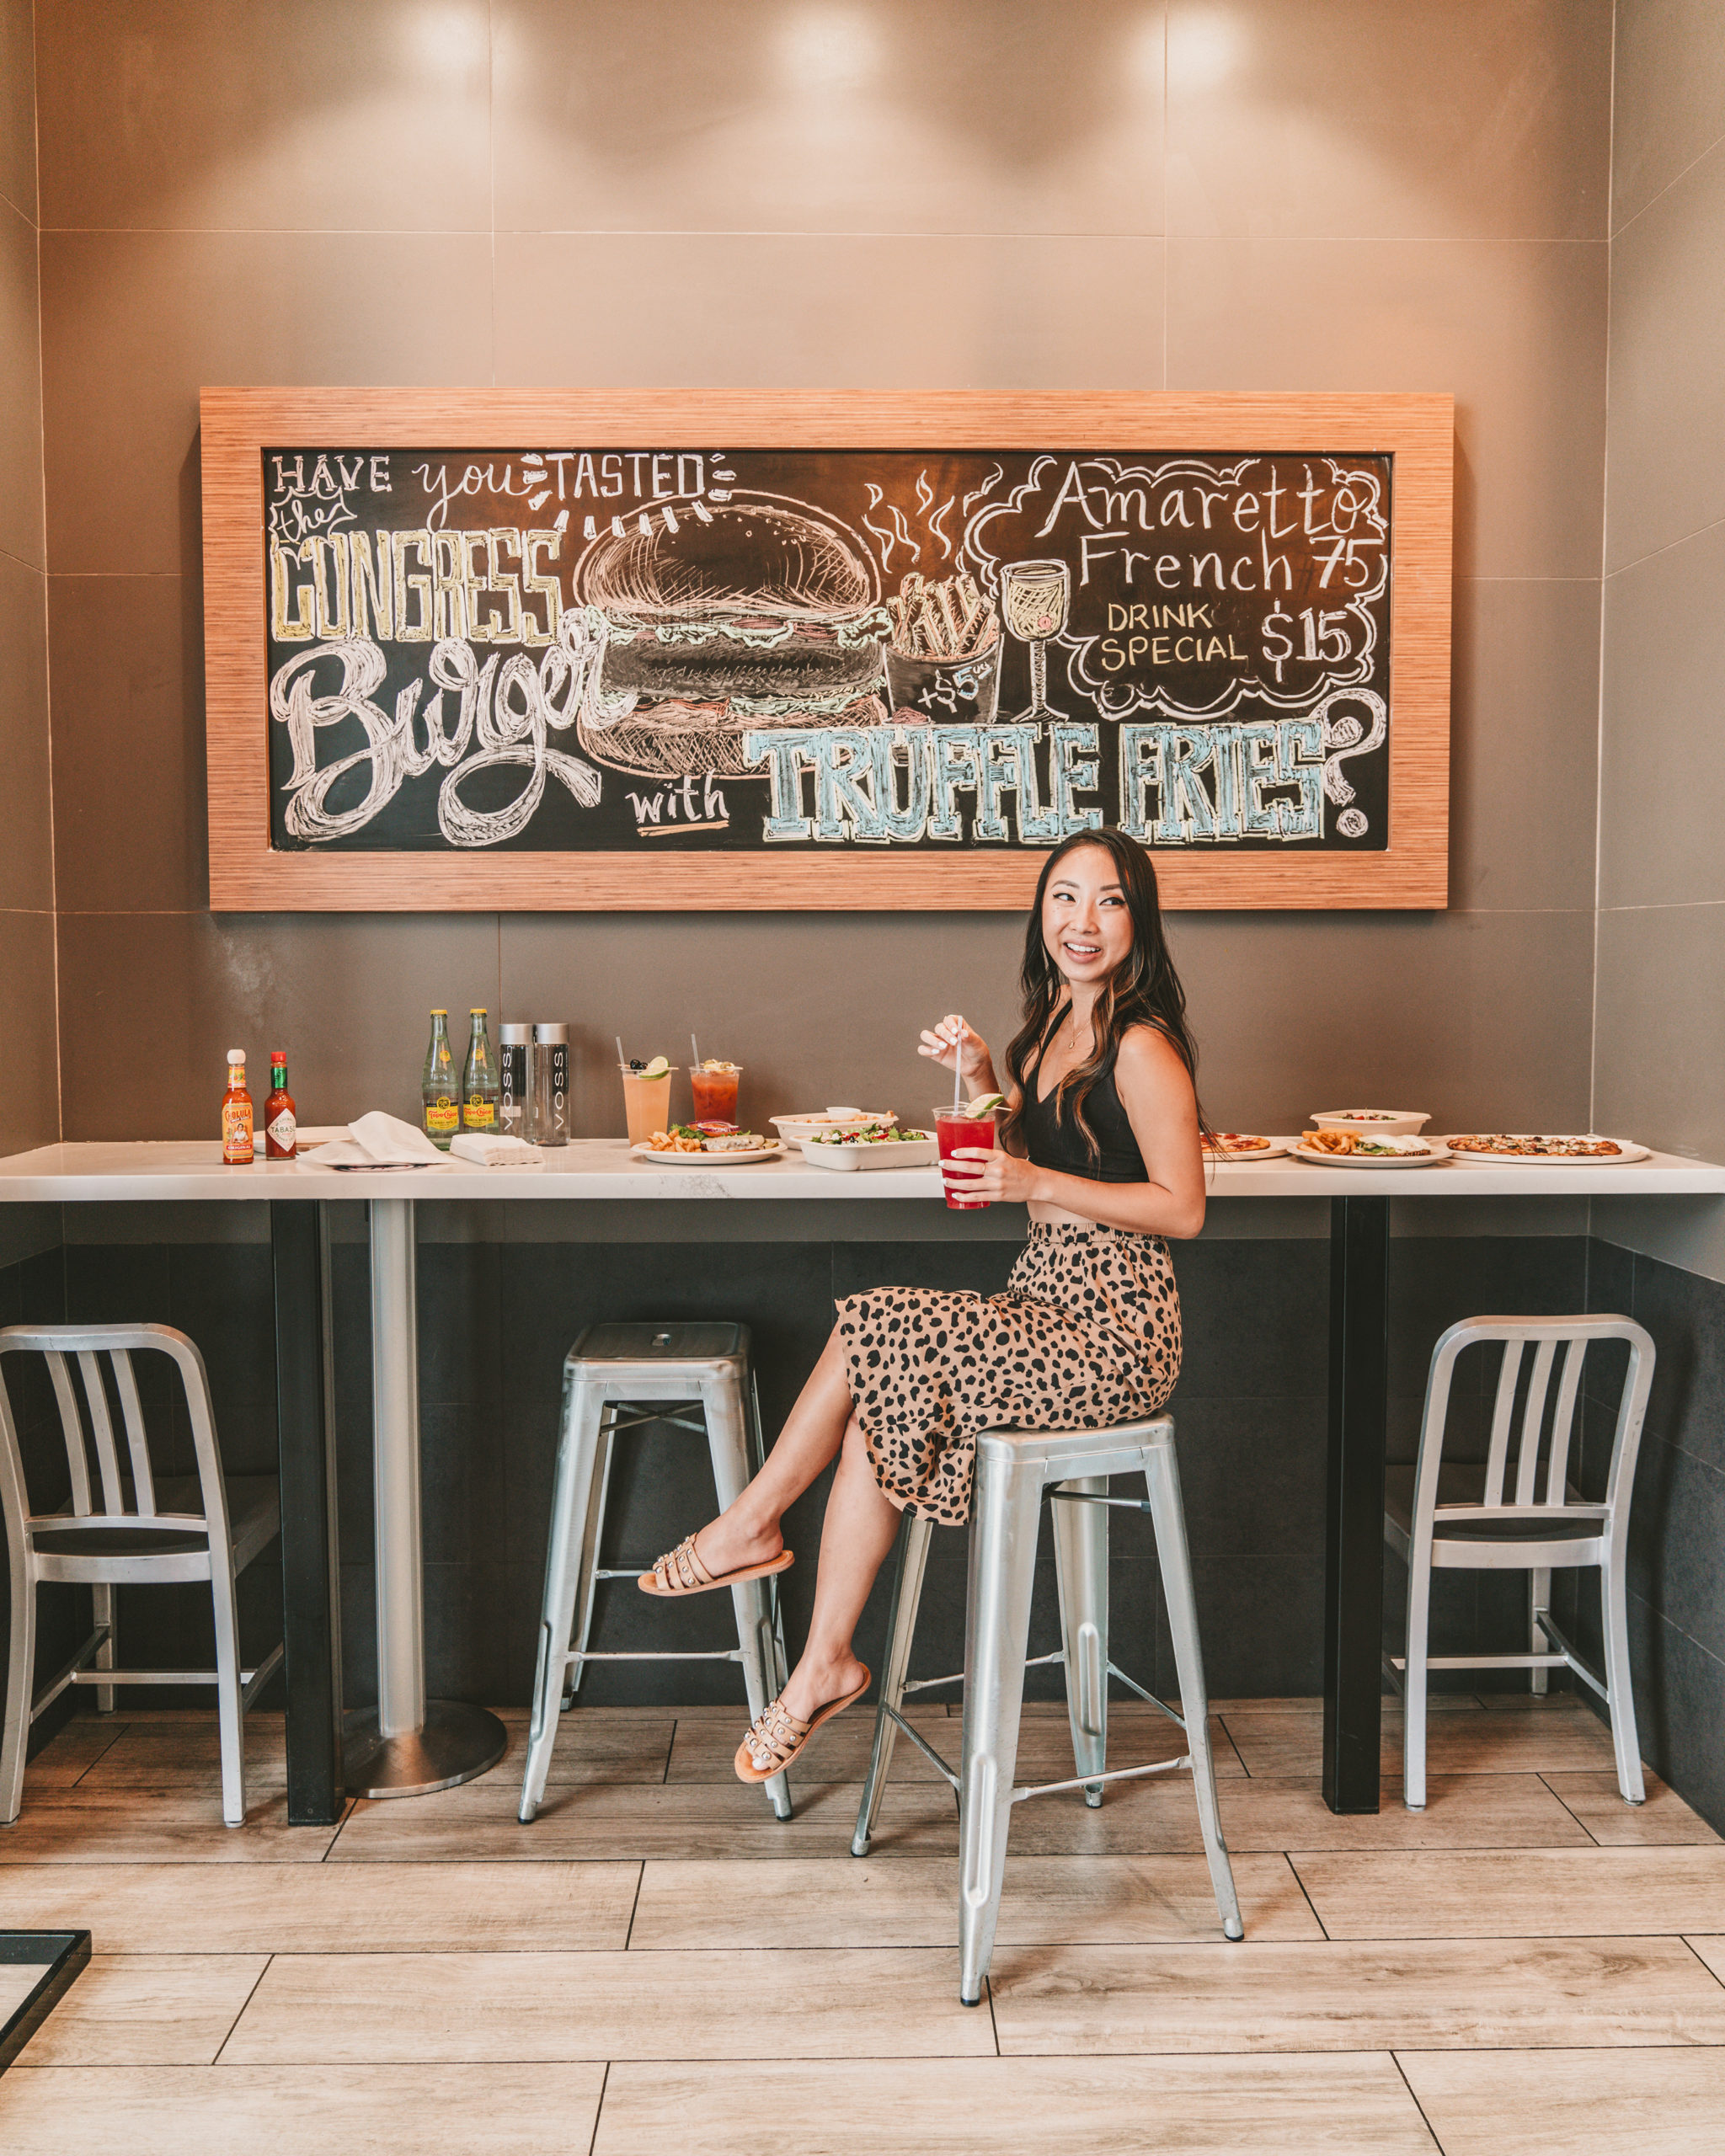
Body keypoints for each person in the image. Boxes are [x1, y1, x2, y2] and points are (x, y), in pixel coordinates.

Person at [639, 828, 1209, 1783]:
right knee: (884, 1382)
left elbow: (1182, 1208)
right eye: (1063, 896)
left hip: (1114, 1331)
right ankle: (824, 1661)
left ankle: (750, 1526)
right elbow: (1026, 1143)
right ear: (1040, 912)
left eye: (1107, 900)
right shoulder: (1047, 1033)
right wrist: (987, 1076)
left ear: (1137, 920)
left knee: (877, 1318)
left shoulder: (1141, 1046)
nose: (1082, 920)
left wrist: (1028, 1176)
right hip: (1041, 1305)